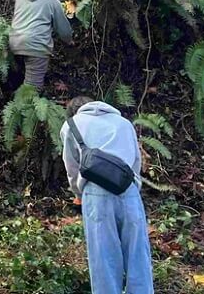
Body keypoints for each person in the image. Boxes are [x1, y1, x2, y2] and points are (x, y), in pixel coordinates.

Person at [61, 97, 153, 294]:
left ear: (74, 112)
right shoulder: (124, 124)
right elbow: (135, 163)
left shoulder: (71, 125)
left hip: (95, 193)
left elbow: (72, 166)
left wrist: (78, 193)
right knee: (138, 255)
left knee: (104, 258)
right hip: (128, 191)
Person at [8, 0, 73, 89]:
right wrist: (69, 41)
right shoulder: (51, 1)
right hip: (35, 46)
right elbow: (64, 31)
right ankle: (24, 106)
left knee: (17, 84)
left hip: (15, 43)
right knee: (32, 89)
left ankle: (12, 102)